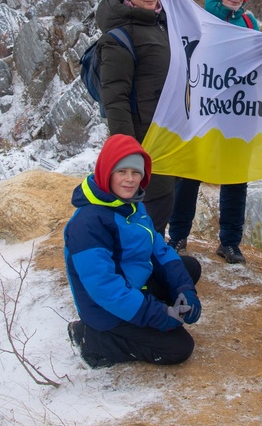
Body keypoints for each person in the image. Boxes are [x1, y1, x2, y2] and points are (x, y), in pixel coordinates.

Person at [64, 134, 203, 366]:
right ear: (107, 172)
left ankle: (151, 304)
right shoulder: (87, 223)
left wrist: (185, 290)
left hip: (132, 283)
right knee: (179, 348)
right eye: (122, 172)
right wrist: (156, 315)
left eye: (136, 173)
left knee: (189, 269)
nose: (130, 179)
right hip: (105, 309)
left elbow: (159, 250)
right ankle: (91, 339)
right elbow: (105, 288)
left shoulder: (131, 205)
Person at [168, 0, 260, 264]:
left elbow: (259, 63)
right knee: (189, 174)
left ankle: (230, 242)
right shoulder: (200, 20)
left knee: (235, 178)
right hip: (201, 110)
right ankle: (178, 236)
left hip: (237, 112)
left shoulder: (249, 23)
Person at [95, 0, 176, 232]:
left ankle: (149, 254)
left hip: (166, 131)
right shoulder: (119, 36)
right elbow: (115, 97)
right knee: (152, 201)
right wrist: (126, 148)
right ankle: (139, 260)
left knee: (162, 201)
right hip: (143, 135)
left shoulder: (161, 25)